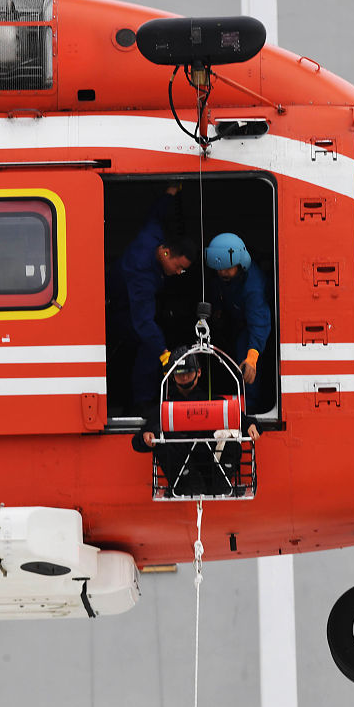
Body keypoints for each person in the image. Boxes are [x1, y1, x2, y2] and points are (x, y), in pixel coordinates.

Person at [106, 186, 198, 413]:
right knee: (150, 345)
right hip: (117, 308)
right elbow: (143, 321)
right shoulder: (142, 275)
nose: (178, 273)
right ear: (166, 253)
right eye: (178, 268)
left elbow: (155, 216)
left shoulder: (154, 236)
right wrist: (164, 353)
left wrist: (170, 193)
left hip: (133, 301)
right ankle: (143, 403)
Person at [132, 347, 260, 497]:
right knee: (163, 438)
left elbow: (242, 420)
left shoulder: (214, 402)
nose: (185, 378)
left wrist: (252, 426)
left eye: (188, 373)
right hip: (182, 478)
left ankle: (220, 483)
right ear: (172, 376)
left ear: (198, 372)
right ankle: (191, 482)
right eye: (180, 374)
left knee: (230, 435)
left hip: (214, 471)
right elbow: (138, 441)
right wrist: (146, 438)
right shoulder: (165, 409)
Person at [204, 232, 272, 413]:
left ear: (240, 264)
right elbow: (217, 289)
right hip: (231, 323)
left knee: (246, 360)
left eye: (227, 268)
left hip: (249, 327)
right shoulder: (222, 276)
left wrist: (252, 357)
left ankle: (250, 408)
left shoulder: (253, 286)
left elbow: (259, 323)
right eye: (219, 269)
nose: (222, 272)